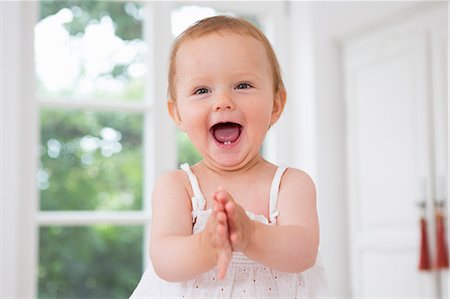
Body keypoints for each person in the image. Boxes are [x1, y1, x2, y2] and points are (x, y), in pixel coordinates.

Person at [130, 15, 327, 298]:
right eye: (202, 90)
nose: (223, 102)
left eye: (243, 85)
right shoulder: (178, 187)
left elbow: (303, 253)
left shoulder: (290, 184)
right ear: (177, 114)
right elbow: (164, 260)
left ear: (275, 104)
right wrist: (206, 246)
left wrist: (252, 235)